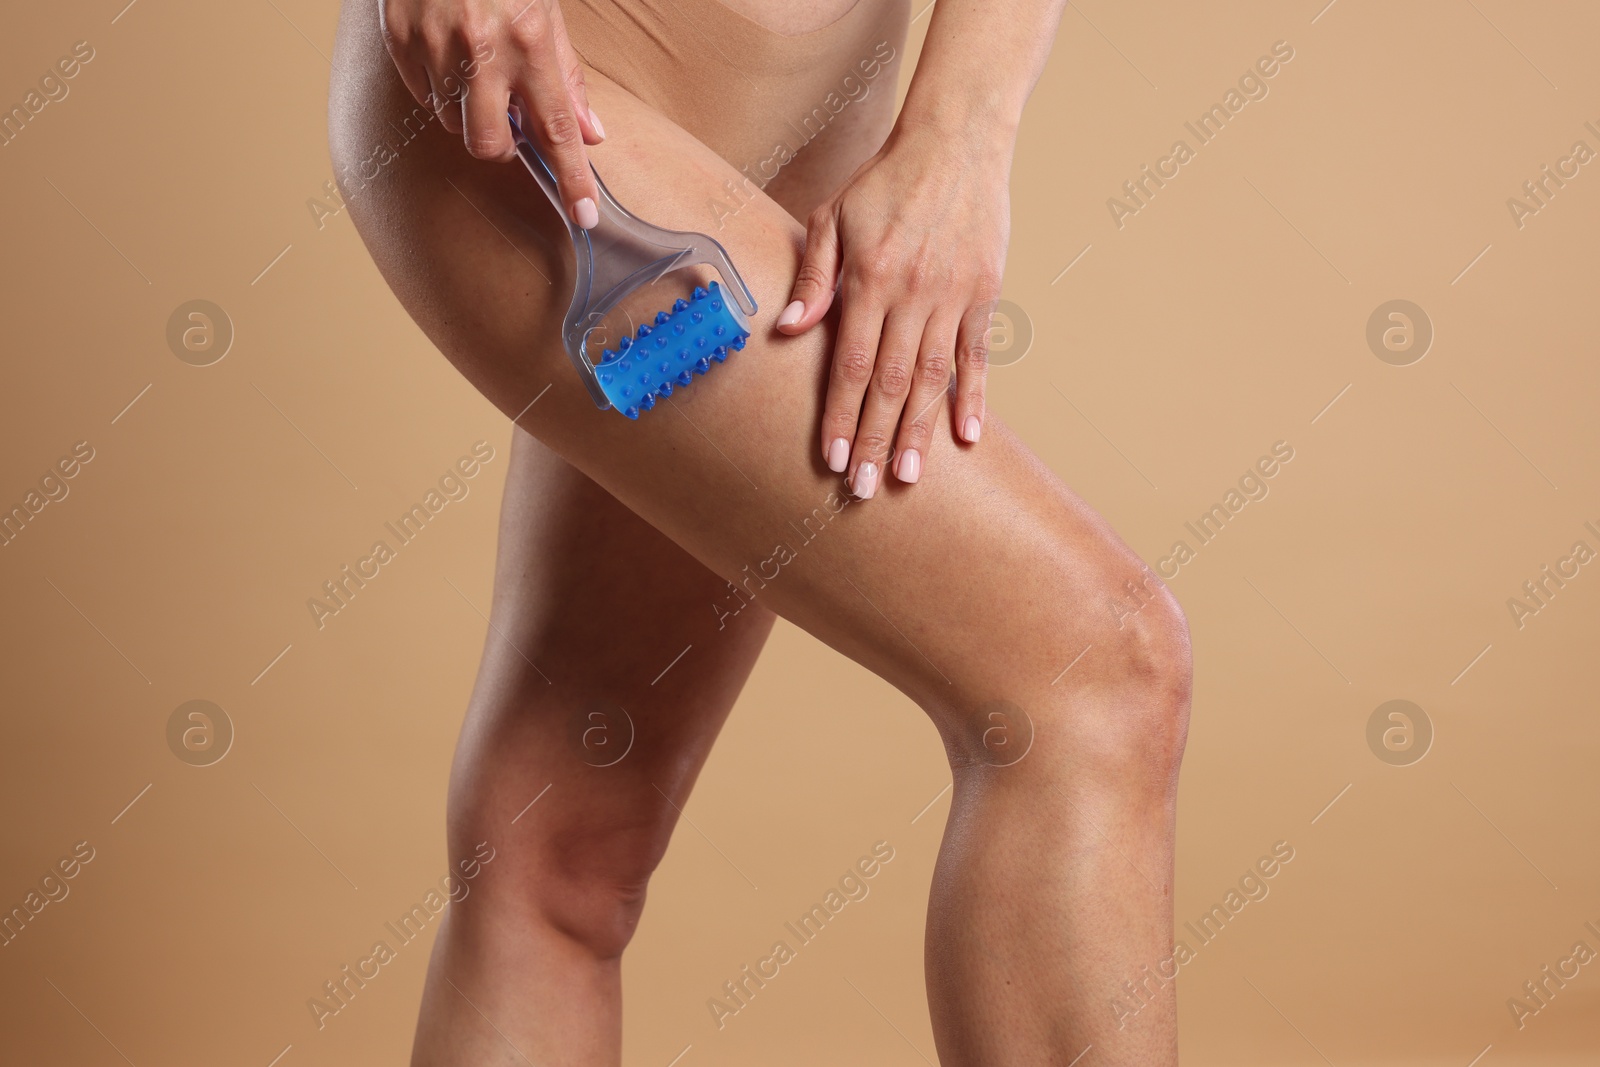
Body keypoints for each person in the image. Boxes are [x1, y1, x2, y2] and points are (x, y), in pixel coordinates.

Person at [328, 0, 1192, 1062]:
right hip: (549, 87)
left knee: (559, 850)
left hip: (829, 106)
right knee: (1093, 672)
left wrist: (963, 128)